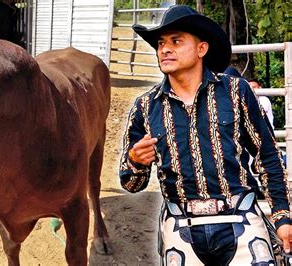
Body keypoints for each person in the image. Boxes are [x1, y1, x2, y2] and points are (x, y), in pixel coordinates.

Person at [120, 5, 292, 265]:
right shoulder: (146, 106)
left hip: (241, 218)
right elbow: (131, 183)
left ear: (202, 49)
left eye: (176, 41)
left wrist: (282, 217)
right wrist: (135, 161)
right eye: (160, 43)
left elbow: (267, 156)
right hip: (180, 226)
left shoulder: (237, 91)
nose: (165, 49)